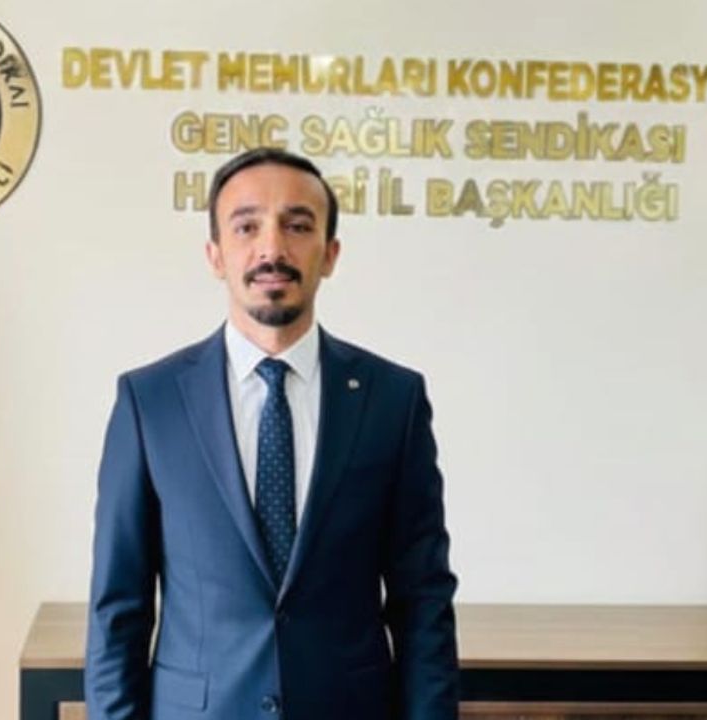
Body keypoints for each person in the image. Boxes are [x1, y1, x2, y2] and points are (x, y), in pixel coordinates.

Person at [85, 147, 459, 720]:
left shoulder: (392, 400)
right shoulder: (150, 402)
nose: (272, 249)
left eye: (298, 226)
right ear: (215, 255)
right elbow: (118, 612)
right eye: (247, 226)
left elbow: (423, 603)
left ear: (330, 254)